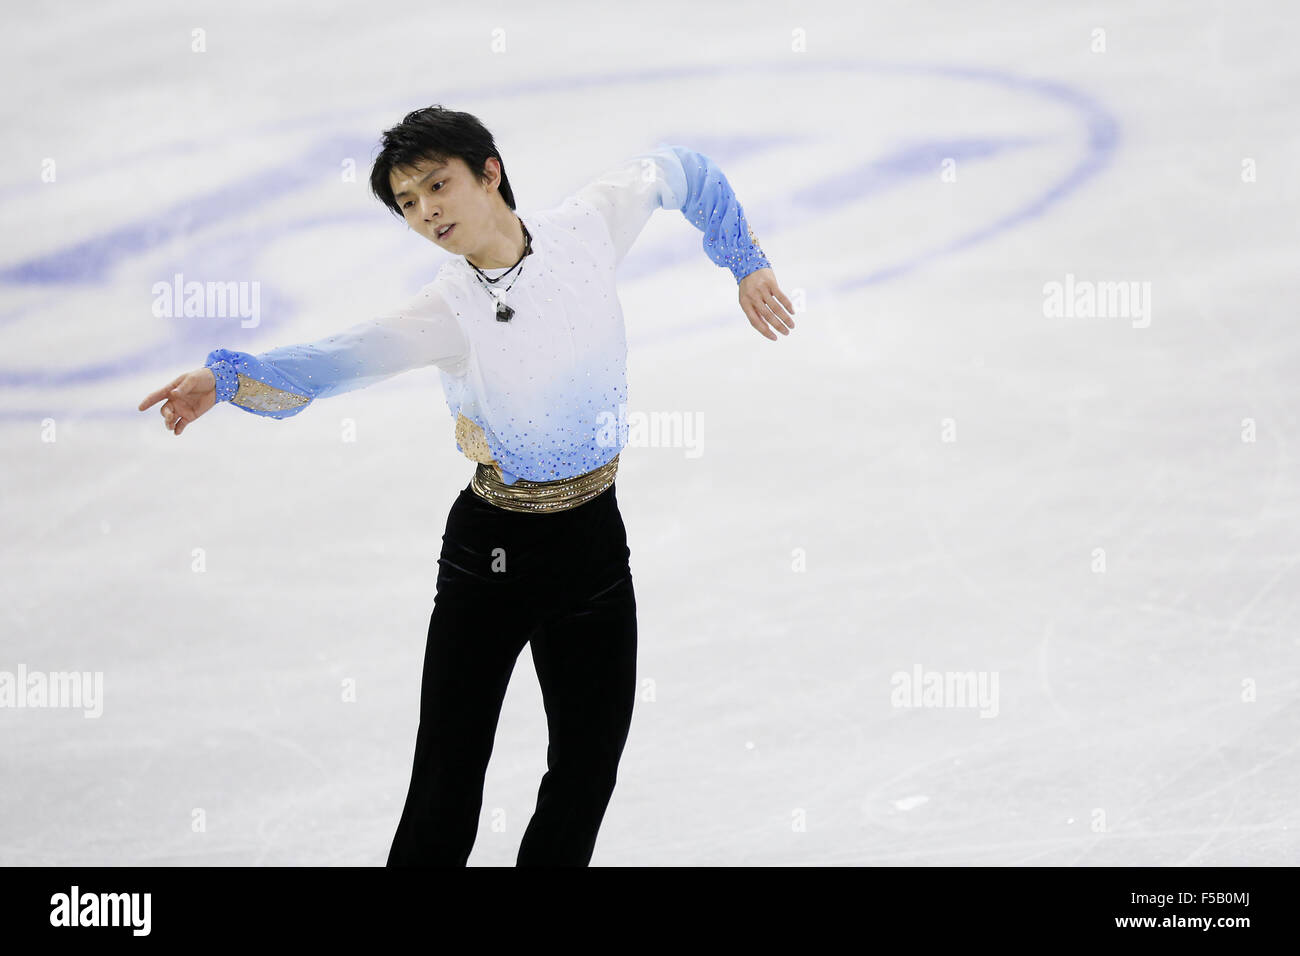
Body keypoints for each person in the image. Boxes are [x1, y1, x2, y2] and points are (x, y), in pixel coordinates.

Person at [137, 105, 795, 866]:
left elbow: (681, 170)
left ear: (490, 172)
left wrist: (745, 261)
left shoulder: (586, 228)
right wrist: (224, 378)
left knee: (585, 777)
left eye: (437, 186)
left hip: (593, 547)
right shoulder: (445, 311)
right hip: (492, 558)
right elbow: (333, 360)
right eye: (408, 204)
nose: (426, 213)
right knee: (446, 790)